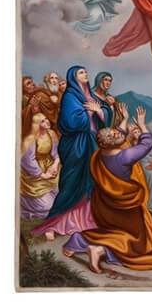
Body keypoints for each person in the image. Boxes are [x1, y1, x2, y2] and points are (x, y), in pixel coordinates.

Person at [63, 107, 152, 273]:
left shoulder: (99, 154)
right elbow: (147, 143)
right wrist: (142, 125)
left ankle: (79, 241)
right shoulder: (124, 157)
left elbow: (115, 135)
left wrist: (125, 118)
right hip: (126, 205)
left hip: (104, 204)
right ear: (113, 141)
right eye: (116, 134)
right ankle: (100, 250)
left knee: (114, 231)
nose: (119, 133)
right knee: (139, 241)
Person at [31, 65, 111, 240]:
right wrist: (88, 111)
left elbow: (106, 111)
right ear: (73, 77)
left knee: (92, 182)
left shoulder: (90, 95)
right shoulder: (70, 96)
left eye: (86, 71)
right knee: (71, 183)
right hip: (76, 145)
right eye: (81, 72)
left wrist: (99, 110)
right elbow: (70, 121)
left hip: (92, 143)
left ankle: (86, 221)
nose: (85, 74)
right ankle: (54, 223)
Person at [21, 114, 60, 220]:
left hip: (50, 167)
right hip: (34, 175)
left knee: (62, 196)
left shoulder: (51, 134)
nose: (47, 121)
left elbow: (57, 153)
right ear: (37, 124)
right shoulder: (30, 139)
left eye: (46, 119)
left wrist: (54, 165)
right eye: (42, 121)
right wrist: (43, 175)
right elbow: (28, 161)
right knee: (47, 206)